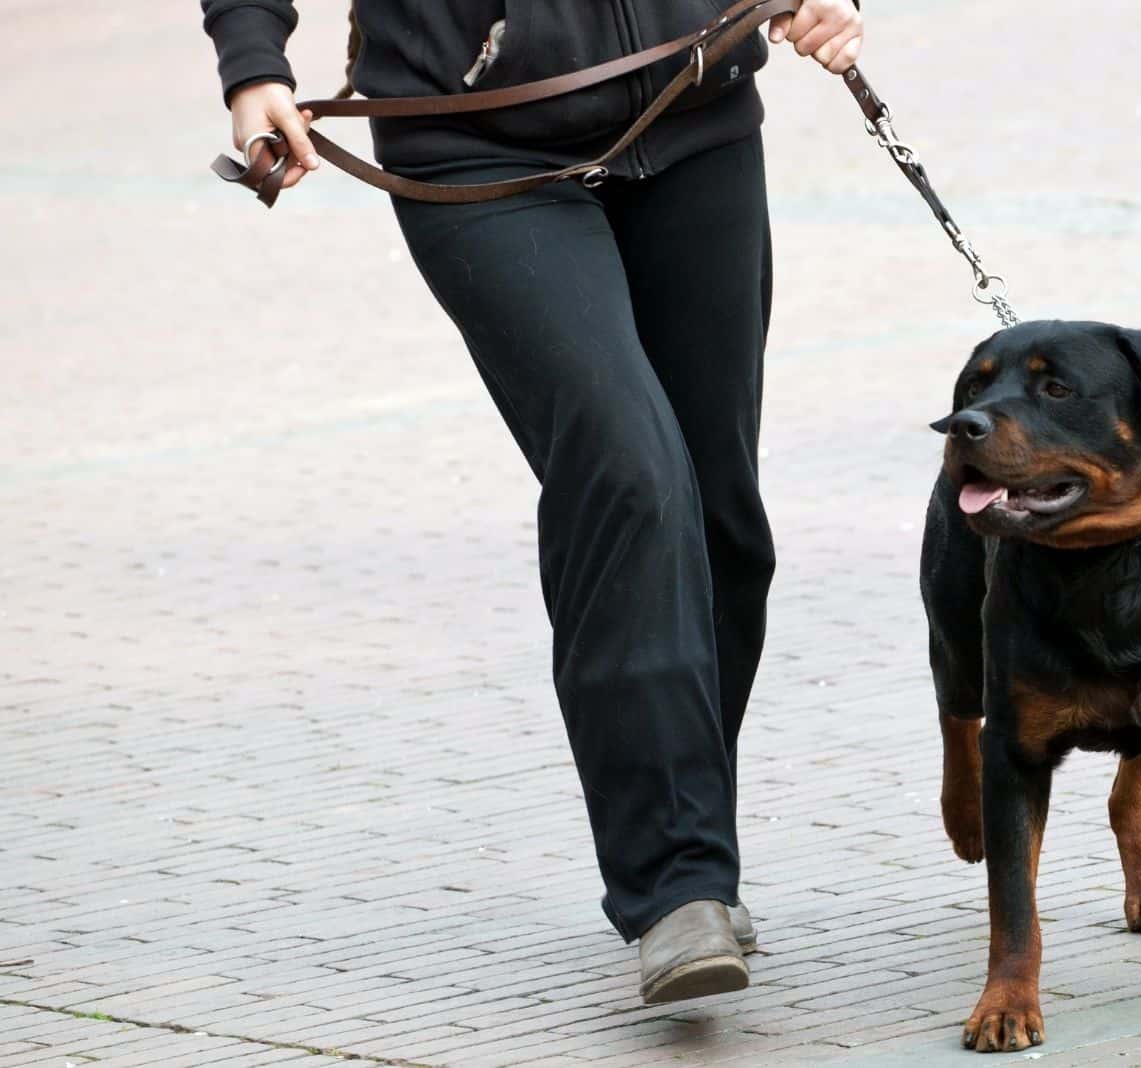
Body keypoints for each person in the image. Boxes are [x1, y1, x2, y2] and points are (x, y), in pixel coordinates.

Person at [199, 0, 864, 1005]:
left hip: (693, 107)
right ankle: (674, 884)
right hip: (470, 140)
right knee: (627, 469)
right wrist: (254, 66)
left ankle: (690, 837)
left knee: (719, 514)